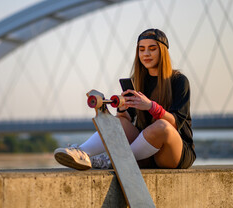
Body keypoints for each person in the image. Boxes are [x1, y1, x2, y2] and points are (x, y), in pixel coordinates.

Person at [54, 28, 196, 170]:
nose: (146, 54)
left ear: (162, 52)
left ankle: (110, 161)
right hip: (145, 153)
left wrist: (151, 106)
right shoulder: (137, 81)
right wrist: (122, 108)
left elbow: (176, 124)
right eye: (141, 49)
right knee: (118, 122)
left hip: (173, 153)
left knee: (162, 126)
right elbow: (125, 121)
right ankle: (81, 152)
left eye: (152, 49)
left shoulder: (179, 81)